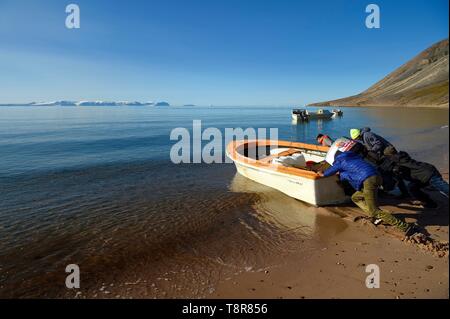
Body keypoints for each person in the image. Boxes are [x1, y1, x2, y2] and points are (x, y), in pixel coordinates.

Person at [318, 150, 413, 234]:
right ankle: (373, 213)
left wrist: (322, 173)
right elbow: (353, 171)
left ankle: (404, 227)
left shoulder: (340, 161)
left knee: (375, 211)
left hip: (368, 181)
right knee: (355, 197)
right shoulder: (353, 156)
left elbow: (327, 173)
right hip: (377, 177)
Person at [380, 147, 449, 208]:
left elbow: (395, 166)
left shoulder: (397, 160)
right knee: (412, 188)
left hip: (428, 174)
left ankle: (431, 204)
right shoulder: (401, 156)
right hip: (424, 172)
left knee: (445, 189)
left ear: (389, 155)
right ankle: (431, 204)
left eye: (387, 157)